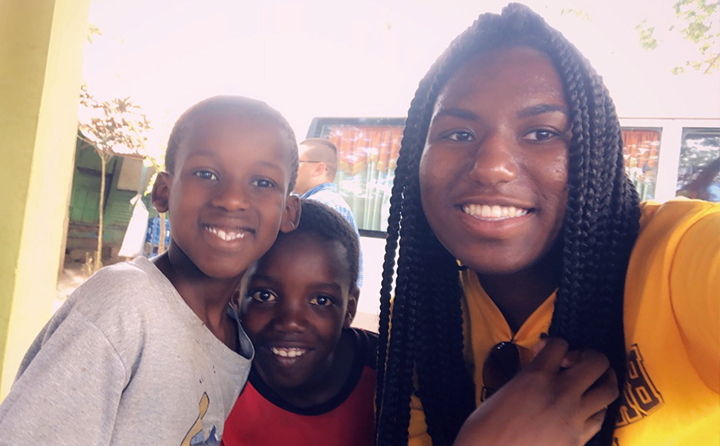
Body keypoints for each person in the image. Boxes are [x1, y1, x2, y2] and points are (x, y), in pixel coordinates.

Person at [375, 4, 719, 446]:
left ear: (597, 155)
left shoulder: (680, 256)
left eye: (542, 133)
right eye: (458, 134)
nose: (491, 167)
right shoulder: (414, 321)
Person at [0, 95, 301, 445]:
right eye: (206, 173)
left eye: (262, 182)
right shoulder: (124, 306)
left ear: (289, 212)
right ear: (163, 193)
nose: (232, 199)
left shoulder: (236, 336)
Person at [221, 199, 375, 446]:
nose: (290, 322)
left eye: (321, 300)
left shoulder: (389, 378)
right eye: (265, 296)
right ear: (237, 298)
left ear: (349, 308)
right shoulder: (216, 376)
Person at [294, 138, 363, 287]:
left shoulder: (324, 206)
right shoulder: (322, 202)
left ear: (319, 169)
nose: (289, 168)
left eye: (296, 162)